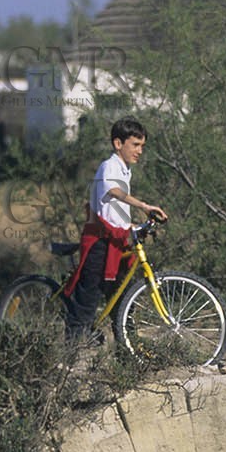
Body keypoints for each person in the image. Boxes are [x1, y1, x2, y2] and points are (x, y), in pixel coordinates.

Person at [63, 117, 168, 341]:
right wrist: (143, 205)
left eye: (142, 146)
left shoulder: (125, 170)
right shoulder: (109, 166)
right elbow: (114, 192)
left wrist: (136, 225)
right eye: (135, 145)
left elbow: (114, 212)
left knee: (123, 301)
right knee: (87, 300)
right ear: (118, 144)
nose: (140, 151)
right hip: (99, 242)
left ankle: (127, 353)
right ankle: (69, 356)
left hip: (116, 241)